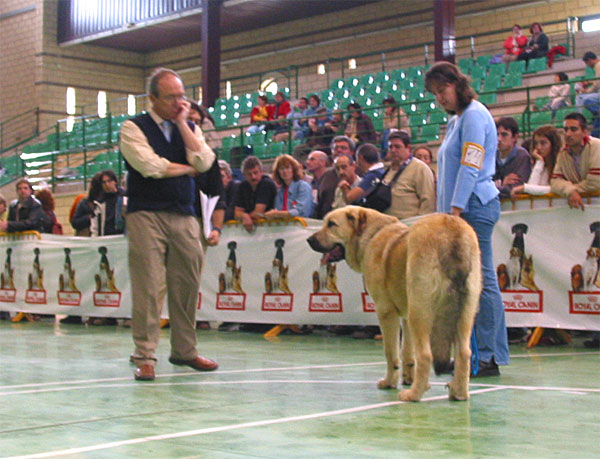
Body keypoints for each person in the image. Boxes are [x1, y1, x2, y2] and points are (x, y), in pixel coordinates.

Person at [119, 67, 218, 381]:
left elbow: (204, 162)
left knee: (187, 284)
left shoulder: (188, 125)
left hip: (185, 213)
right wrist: (187, 170)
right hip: (145, 213)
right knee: (148, 286)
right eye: (172, 98)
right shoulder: (132, 127)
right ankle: (145, 356)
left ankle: (184, 351)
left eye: (182, 96)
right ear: (153, 98)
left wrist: (182, 124)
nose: (179, 102)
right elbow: (149, 166)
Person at [425, 61, 509, 377]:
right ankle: (464, 354)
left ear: (458, 84)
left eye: (442, 90)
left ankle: (487, 356)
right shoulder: (456, 120)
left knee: (481, 282)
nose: (440, 98)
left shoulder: (474, 115)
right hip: (459, 210)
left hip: (475, 207)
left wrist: (456, 211)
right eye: (435, 94)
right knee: (459, 285)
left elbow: (470, 166)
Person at [551, 112, 600, 211]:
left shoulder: (597, 146)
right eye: (566, 129)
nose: (568, 134)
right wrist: (570, 191)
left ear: (584, 132)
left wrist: (571, 190)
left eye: (573, 129)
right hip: (581, 206)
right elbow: (555, 181)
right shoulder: (562, 154)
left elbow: (595, 182)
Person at [382, 130, 436, 220]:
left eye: (397, 147)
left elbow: (428, 201)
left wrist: (420, 226)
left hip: (410, 225)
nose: (393, 150)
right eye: (391, 147)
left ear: (408, 148)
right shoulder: (389, 170)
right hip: (389, 225)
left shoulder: (420, 168)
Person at [511, 125, 561, 197]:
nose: (538, 147)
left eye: (543, 143)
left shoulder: (560, 165)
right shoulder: (538, 165)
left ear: (553, 145)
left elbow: (555, 190)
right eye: (536, 143)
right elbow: (532, 186)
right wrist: (540, 162)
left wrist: (525, 188)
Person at [233, 155, 277, 232]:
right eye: (249, 174)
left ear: (261, 172)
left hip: (272, 228)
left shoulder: (266, 184)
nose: (253, 177)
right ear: (244, 175)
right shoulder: (242, 186)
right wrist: (244, 216)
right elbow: (237, 212)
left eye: (255, 173)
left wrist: (245, 217)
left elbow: (258, 213)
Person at [493, 117, 532, 200]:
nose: (499, 139)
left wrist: (497, 185)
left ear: (515, 137)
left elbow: (515, 189)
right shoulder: (491, 156)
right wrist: (502, 183)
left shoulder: (522, 156)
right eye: (497, 134)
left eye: (504, 135)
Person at [264, 154, 313, 219]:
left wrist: (276, 214)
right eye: (281, 169)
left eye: (287, 168)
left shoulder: (303, 186)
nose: (285, 171)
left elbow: (301, 212)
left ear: (294, 169)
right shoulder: (280, 191)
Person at [91, 169, 126, 237]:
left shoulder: (124, 197)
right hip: (106, 238)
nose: (107, 184)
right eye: (104, 182)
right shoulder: (99, 202)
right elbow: (95, 225)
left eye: (109, 181)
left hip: (123, 236)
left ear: (115, 181)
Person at [305, 150, 339, 219]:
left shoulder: (332, 180)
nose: (307, 162)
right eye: (308, 160)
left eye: (312, 159)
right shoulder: (311, 183)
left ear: (322, 162)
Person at [576, 52, 600, 137]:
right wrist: (590, 83)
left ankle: (579, 119)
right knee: (597, 117)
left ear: (590, 60)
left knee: (584, 99)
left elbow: (597, 83)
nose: (587, 66)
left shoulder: (598, 65)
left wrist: (587, 91)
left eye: (587, 63)